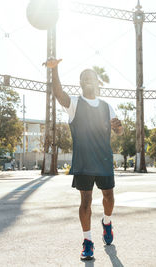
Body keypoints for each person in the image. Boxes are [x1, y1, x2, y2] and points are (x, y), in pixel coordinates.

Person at [44, 58, 123, 261]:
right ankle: (87, 242)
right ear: (80, 83)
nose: (88, 80)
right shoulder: (75, 104)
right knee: (85, 201)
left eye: (91, 77)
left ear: (97, 83)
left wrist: (119, 127)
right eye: (84, 78)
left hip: (104, 160)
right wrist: (55, 70)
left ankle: (107, 222)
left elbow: (120, 132)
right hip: (84, 161)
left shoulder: (107, 107)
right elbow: (59, 94)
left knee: (109, 198)